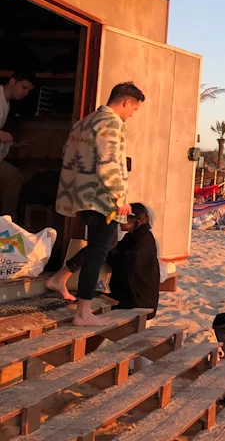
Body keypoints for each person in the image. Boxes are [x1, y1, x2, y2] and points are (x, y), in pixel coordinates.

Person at [46, 82, 144, 326]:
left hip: (82, 196)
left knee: (103, 244)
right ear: (126, 102)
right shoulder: (111, 123)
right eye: (134, 109)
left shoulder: (84, 122)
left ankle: (60, 277)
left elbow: (66, 154)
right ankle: (83, 312)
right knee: (99, 252)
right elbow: (107, 163)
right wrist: (120, 198)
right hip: (102, 199)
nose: (132, 115)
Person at [105, 202, 160, 319]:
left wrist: (110, 255)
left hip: (139, 299)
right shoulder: (132, 237)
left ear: (134, 221)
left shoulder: (144, 239)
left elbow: (126, 263)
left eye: (123, 219)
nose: (120, 222)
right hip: (131, 295)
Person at [0, 69, 36, 217]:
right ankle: (7, 220)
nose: (25, 93)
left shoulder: (6, 103)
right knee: (13, 177)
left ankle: (7, 220)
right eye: (24, 87)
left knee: (14, 177)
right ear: (12, 81)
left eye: (28, 90)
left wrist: (15, 144)